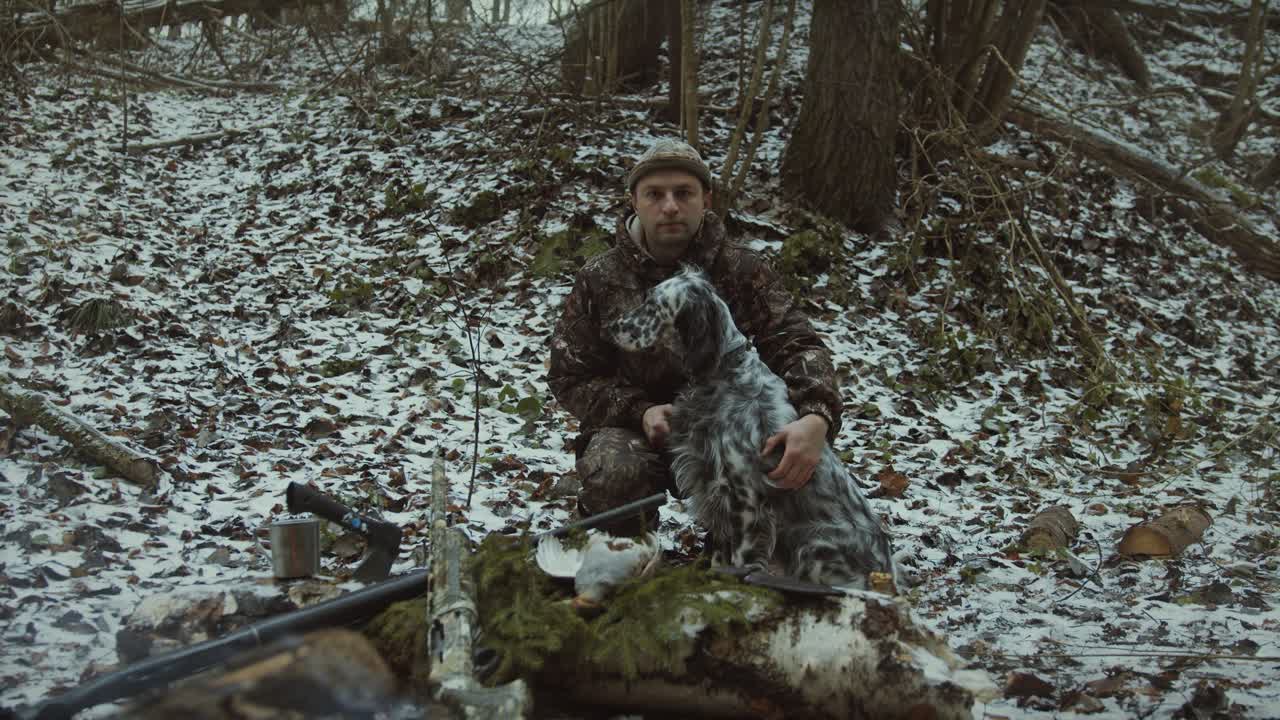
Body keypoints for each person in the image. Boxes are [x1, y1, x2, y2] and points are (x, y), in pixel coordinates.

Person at [547, 138, 843, 533]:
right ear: (634, 201)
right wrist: (640, 411)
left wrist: (815, 418)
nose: (669, 206)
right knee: (615, 471)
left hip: (730, 427)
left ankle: (742, 551)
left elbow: (797, 344)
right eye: (654, 194)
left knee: (792, 468)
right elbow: (570, 376)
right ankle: (622, 543)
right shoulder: (600, 278)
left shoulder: (741, 269)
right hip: (640, 434)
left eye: (683, 193)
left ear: (706, 199)